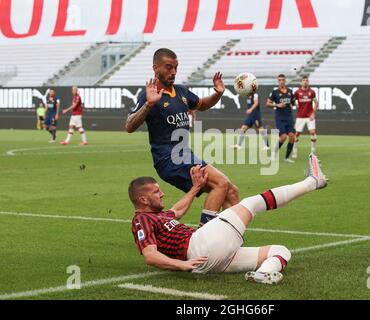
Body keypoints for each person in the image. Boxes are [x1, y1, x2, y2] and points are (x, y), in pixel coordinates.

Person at [130, 153, 327, 284]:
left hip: (209, 260)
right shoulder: (141, 219)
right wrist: (181, 265)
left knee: (280, 251)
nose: (162, 194)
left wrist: (196, 187)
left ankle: (264, 274)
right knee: (250, 203)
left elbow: (178, 211)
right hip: (198, 247)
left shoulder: (159, 215)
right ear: (143, 199)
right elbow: (149, 255)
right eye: (156, 192)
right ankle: (312, 182)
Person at [125, 48, 239, 226]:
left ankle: (232, 238)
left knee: (231, 191)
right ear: (156, 68)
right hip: (169, 159)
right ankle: (206, 238)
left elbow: (201, 105)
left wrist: (218, 94)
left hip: (185, 155)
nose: (173, 72)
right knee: (222, 183)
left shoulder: (181, 91)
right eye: (168, 67)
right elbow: (129, 126)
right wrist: (148, 105)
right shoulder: (149, 95)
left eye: (176, 68)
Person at [266, 74, 296, 163]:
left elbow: (293, 102)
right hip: (280, 117)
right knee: (283, 137)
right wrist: (277, 105)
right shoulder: (275, 92)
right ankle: (274, 154)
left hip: (289, 117)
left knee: (292, 137)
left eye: (283, 80)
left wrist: (293, 104)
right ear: (278, 81)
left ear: (285, 80)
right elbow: (268, 103)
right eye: (279, 80)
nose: (281, 81)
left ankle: (287, 158)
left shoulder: (290, 91)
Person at [293, 76, 319, 156]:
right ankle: (295, 150)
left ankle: (313, 150)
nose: (305, 82)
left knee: (313, 132)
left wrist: (313, 113)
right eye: (303, 80)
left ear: (308, 82)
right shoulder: (297, 92)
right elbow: (292, 100)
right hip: (300, 116)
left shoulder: (312, 92)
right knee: (297, 134)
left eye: (306, 80)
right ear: (301, 82)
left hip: (309, 116)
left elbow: (316, 103)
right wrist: (296, 104)